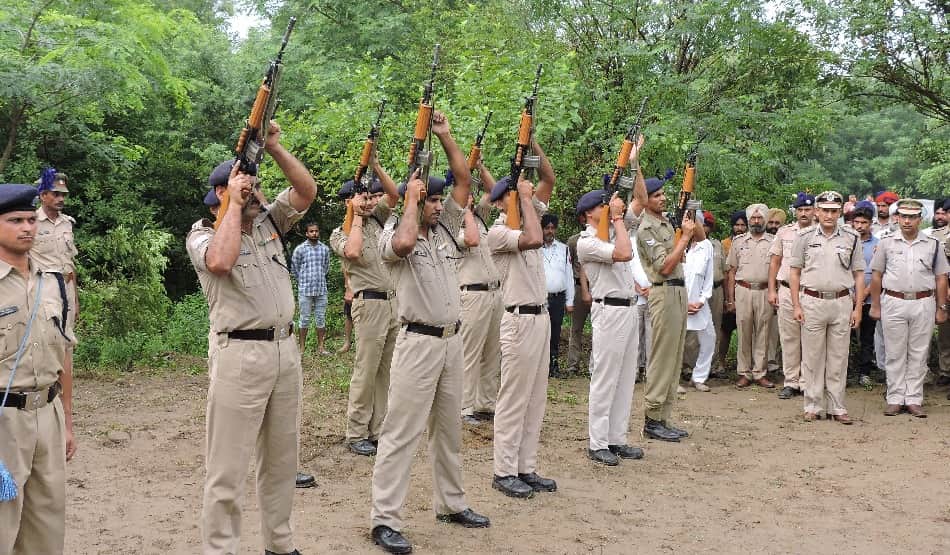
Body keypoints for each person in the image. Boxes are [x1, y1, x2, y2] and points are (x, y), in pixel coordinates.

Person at [185, 120, 316, 555]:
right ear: (221, 194)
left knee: (282, 460)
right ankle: (220, 549)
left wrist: (275, 148)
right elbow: (221, 262)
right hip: (240, 355)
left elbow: (306, 192)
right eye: (247, 187)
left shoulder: (269, 223)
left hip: (284, 350)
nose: (256, 194)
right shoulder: (202, 234)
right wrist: (235, 206)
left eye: (257, 187)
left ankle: (280, 543)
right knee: (228, 467)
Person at [369, 172, 490, 555]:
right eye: (432, 200)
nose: (439, 206)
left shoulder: (442, 233)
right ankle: (385, 519)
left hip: (451, 341)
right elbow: (403, 244)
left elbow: (465, 180)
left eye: (440, 200)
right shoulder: (393, 234)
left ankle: (451, 503)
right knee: (400, 433)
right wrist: (409, 199)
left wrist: (444, 140)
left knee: (449, 430)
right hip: (417, 342)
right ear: (417, 202)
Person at [0, 184, 76, 555]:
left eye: (31, 219)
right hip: (4, 421)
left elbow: (64, 354)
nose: (27, 227)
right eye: (15, 220)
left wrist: (68, 423)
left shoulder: (53, 282)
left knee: (46, 524)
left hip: (48, 413)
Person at [485, 140, 558, 498]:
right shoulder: (498, 232)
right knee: (514, 399)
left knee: (535, 398)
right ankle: (504, 471)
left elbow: (549, 178)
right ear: (501, 202)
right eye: (511, 196)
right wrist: (525, 200)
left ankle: (525, 466)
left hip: (540, 317)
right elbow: (533, 238)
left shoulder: (528, 214)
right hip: (518, 321)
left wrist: (532, 143)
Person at [430, 111, 502, 426]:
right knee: (470, 352)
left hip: (494, 293)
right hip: (471, 294)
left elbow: (497, 194)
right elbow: (470, 239)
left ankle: (485, 403)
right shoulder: (451, 227)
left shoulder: (479, 217)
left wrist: (480, 168)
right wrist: (468, 210)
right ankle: (465, 406)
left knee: (492, 352)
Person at [329, 158, 400, 457]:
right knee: (366, 370)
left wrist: (377, 165)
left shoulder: (379, 218)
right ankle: (357, 431)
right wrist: (356, 216)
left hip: (393, 302)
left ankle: (378, 429)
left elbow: (394, 194)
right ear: (349, 202)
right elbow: (354, 251)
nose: (369, 202)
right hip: (369, 304)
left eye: (370, 197)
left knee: (386, 371)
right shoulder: (340, 232)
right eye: (362, 197)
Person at [575, 188, 643, 466]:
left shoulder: (615, 230)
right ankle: (598, 442)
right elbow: (625, 253)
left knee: (626, 378)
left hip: (629, 307)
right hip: (609, 310)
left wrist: (634, 167)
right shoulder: (587, 241)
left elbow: (641, 200)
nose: (607, 208)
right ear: (588, 214)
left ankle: (617, 438)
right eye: (601, 206)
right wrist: (616, 218)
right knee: (605, 378)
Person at [788, 190, 864, 424]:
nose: (829, 215)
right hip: (812, 301)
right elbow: (794, 272)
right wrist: (796, 305)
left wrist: (858, 308)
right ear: (817, 212)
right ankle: (813, 405)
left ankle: (837, 406)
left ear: (840, 212)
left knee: (838, 357)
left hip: (841, 302)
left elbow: (859, 274)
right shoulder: (804, 237)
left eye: (834, 211)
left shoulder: (851, 237)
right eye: (825, 211)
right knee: (812, 357)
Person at [634, 158, 695, 442]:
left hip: (679, 291)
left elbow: (697, 239)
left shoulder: (666, 223)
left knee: (675, 355)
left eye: (663, 194)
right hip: (664, 290)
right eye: (656, 195)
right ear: (646, 200)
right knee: (661, 357)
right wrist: (683, 239)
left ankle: (663, 416)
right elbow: (665, 266)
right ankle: (652, 418)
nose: (662, 198)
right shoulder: (646, 228)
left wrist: (687, 225)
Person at [869, 199, 949, 417]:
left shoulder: (933, 244)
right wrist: (875, 305)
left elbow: (941, 278)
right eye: (903, 216)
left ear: (920, 219)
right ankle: (895, 398)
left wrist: (941, 307)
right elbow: (876, 275)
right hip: (893, 301)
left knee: (919, 352)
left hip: (923, 302)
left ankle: (913, 398)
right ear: (897, 218)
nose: (907, 221)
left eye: (912, 217)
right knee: (894, 352)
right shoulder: (886, 243)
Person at [31, 171, 79, 406]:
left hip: (66, 290)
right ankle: (45, 397)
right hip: (43, 290)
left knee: (66, 345)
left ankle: (65, 406)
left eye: (63, 195)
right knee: (45, 342)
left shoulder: (67, 223)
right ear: (43, 195)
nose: (61, 198)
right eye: (56, 194)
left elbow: (70, 263)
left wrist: (75, 298)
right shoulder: (31, 222)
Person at [767, 192, 815, 399]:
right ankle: (791, 381)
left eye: (807, 209)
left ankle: (807, 382)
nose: (804, 213)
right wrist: (772, 290)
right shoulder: (784, 232)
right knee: (789, 338)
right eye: (800, 210)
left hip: (811, 292)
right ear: (795, 212)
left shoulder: (820, 232)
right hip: (786, 290)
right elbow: (775, 262)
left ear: (814, 211)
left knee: (811, 339)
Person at [725, 204, 775, 389]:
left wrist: (775, 293)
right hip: (743, 290)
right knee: (744, 332)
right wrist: (730, 299)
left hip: (765, 291)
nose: (756, 221)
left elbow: (777, 269)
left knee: (764, 332)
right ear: (748, 220)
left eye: (759, 218)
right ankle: (744, 372)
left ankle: (760, 372)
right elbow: (731, 271)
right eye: (753, 218)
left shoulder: (773, 242)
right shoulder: (738, 242)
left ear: (765, 220)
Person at [683, 214, 715, 392]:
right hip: (678, 303)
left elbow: (708, 277)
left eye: (696, 223)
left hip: (699, 304)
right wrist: (684, 303)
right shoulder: (677, 245)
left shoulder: (706, 247)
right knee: (674, 344)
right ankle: (672, 380)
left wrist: (702, 300)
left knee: (709, 338)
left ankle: (699, 377)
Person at [540, 213, 574, 377]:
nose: (550, 231)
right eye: (547, 228)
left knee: (555, 332)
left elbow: (569, 275)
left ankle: (553, 366)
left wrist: (570, 300)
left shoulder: (563, 249)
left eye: (553, 228)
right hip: (540, 298)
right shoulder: (534, 249)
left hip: (558, 298)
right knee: (540, 333)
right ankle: (540, 367)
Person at [849, 202, 879, 388]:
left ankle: (864, 373)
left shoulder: (878, 245)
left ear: (870, 223)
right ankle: (845, 372)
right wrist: (852, 294)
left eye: (864, 222)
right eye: (857, 222)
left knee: (867, 338)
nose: (860, 226)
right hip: (846, 297)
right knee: (845, 337)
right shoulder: (846, 241)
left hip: (868, 298)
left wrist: (862, 294)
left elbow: (878, 273)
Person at [292, 223, 331, 354]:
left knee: (321, 318)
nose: (314, 233)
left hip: (321, 289)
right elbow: (295, 269)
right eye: (311, 231)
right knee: (304, 319)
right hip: (305, 290)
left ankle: (321, 347)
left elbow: (326, 268)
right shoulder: (300, 249)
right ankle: (302, 348)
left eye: (316, 231)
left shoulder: (324, 249)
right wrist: (303, 280)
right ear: (306, 233)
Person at [717, 211, 747, 371]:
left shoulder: (750, 243)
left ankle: (745, 365)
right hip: (728, 292)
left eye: (743, 225)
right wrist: (727, 298)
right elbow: (724, 271)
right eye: (737, 225)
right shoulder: (724, 244)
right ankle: (720, 362)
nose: (740, 228)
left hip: (746, 291)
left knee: (747, 331)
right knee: (725, 329)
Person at [565, 218, 593, 376]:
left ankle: (594, 366)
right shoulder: (573, 241)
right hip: (577, 287)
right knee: (576, 328)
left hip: (597, 287)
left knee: (599, 328)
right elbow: (568, 266)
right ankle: (572, 365)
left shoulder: (602, 239)